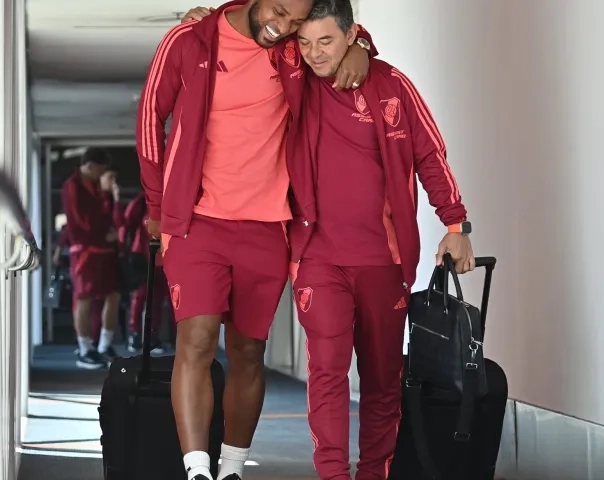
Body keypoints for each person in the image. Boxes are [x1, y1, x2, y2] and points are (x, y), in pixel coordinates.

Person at [137, 2, 376, 479]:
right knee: (197, 340)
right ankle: (197, 469)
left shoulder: (290, 47)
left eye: (296, 21)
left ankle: (231, 468)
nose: (284, 27)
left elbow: (339, 34)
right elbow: (150, 120)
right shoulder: (189, 42)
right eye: (281, 12)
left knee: (248, 350)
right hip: (197, 221)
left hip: (267, 226)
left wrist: (363, 47)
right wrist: (158, 206)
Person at [288, 1, 475, 478]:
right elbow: (250, 35)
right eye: (305, 43)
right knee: (327, 373)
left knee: (382, 380)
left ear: (350, 35)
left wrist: (455, 226)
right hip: (316, 257)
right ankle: (332, 474)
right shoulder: (291, 79)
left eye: (326, 41)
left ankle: (374, 473)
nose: (314, 54)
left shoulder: (390, 84)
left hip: (384, 260)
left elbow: (429, 154)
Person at [61, 148, 125, 369]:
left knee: (113, 294)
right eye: (101, 170)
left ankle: (104, 345)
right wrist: (104, 233)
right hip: (85, 251)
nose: (102, 175)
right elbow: (80, 221)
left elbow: (112, 218)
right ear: (90, 166)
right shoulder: (73, 186)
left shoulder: (99, 187)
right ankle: (85, 349)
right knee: (84, 298)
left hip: (105, 250)